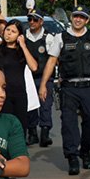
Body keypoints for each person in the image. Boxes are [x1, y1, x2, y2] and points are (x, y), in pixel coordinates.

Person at [38, 6, 90, 175]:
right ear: (71, 17)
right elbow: (52, 61)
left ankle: (86, 150)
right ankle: (72, 156)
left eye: (82, 17)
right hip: (68, 87)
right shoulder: (61, 38)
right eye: (75, 16)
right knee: (69, 123)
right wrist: (43, 84)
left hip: (89, 86)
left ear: (87, 20)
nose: (78, 19)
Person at [0, 19, 37, 133]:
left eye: (13, 31)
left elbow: (34, 67)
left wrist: (23, 46)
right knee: (4, 127)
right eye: (7, 30)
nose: (9, 33)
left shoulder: (22, 51)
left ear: (19, 35)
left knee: (20, 127)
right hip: (2, 94)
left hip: (20, 93)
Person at [23, 12, 54, 147]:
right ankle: (32, 133)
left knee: (45, 105)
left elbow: (53, 59)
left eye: (35, 19)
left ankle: (45, 133)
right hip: (28, 77)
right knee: (30, 106)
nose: (32, 22)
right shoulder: (24, 37)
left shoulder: (48, 38)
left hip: (44, 77)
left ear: (41, 21)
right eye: (30, 19)